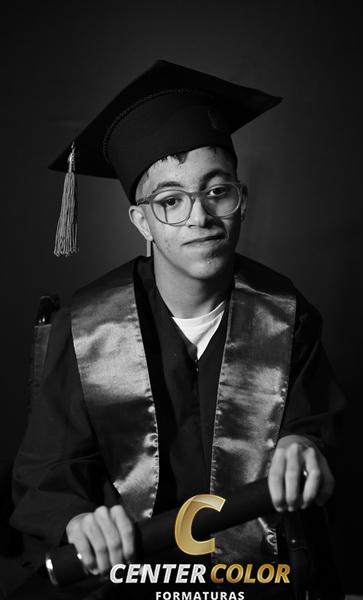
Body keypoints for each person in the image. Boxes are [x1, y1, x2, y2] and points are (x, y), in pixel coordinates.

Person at [10, 60, 345, 599]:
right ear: (141, 221)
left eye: (218, 191)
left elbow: (317, 426)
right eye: (170, 201)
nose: (199, 217)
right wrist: (79, 521)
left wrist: (303, 446)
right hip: (129, 578)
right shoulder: (89, 324)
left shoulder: (286, 314)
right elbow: (50, 471)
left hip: (252, 579)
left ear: (241, 200)